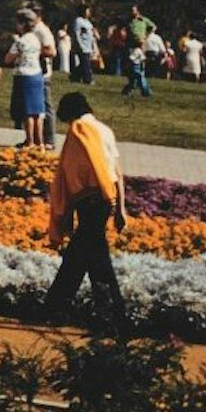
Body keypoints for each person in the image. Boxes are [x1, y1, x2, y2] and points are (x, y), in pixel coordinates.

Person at [42, 92, 129, 328]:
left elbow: (72, 173)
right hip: (106, 199)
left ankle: (111, 314)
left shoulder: (78, 130)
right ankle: (59, 308)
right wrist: (120, 207)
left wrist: (67, 207)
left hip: (89, 199)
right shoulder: (104, 130)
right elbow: (116, 172)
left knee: (93, 257)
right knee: (81, 256)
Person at [4, 8, 51, 147]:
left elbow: (8, 59)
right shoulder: (36, 39)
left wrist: (15, 44)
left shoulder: (20, 41)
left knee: (27, 112)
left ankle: (30, 141)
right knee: (38, 110)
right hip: (37, 74)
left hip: (23, 75)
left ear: (22, 24)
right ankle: (40, 142)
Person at [69, 5, 98, 85]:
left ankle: (75, 76)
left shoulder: (88, 22)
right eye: (87, 11)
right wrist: (79, 44)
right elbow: (76, 33)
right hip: (82, 45)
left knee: (84, 62)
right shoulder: (78, 21)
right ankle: (87, 79)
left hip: (88, 45)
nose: (88, 12)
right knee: (86, 63)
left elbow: (91, 32)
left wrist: (93, 44)